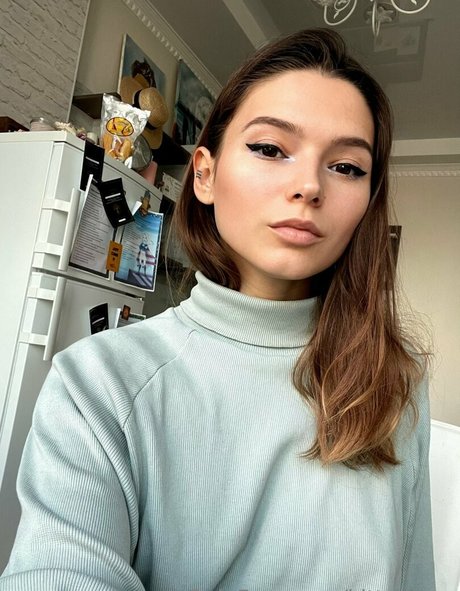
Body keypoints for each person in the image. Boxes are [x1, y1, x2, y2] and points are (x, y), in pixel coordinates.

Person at [0, 28, 435, 590]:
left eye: (347, 167)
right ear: (204, 174)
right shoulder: (98, 385)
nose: (309, 186)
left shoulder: (396, 379)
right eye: (270, 149)